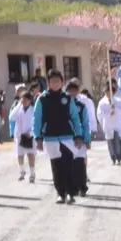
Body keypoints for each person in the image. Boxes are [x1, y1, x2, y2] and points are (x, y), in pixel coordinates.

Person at [34, 70, 84, 204]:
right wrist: (37, 137)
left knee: (68, 165)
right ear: (48, 82)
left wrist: (78, 135)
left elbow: (75, 118)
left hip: (67, 136)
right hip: (50, 137)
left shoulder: (67, 98)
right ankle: (60, 193)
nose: (55, 83)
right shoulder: (42, 99)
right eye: (52, 81)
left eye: (58, 81)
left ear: (62, 82)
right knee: (56, 166)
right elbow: (37, 119)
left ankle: (70, 193)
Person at [67, 79, 94, 197]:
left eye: (74, 91)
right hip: (67, 138)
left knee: (80, 165)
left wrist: (87, 140)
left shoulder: (81, 107)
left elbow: (85, 123)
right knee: (69, 165)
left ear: (78, 92)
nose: (72, 93)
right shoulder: (62, 105)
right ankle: (72, 188)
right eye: (70, 91)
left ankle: (82, 187)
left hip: (80, 140)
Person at [8, 89, 36, 182]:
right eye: (22, 100)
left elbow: (36, 124)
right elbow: (11, 117)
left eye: (26, 100)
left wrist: (31, 133)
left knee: (30, 155)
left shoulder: (33, 110)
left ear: (30, 100)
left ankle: (32, 173)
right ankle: (22, 171)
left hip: (29, 136)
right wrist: (19, 105)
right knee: (20, 155)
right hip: (19, 136)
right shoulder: (18, 109)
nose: (24, 102)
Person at [97, 86, 121, 165]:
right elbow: (99, 114)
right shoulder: (102, 102)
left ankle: (118, 158)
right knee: (110, 143)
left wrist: (116, 109)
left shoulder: (118, 101)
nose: (107, 94)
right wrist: (108, 113)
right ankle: (113, 158)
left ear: (113, 93)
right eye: (106, 92)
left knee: (117, 142)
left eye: (109, 92)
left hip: (117, 125)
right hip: (108, 125)